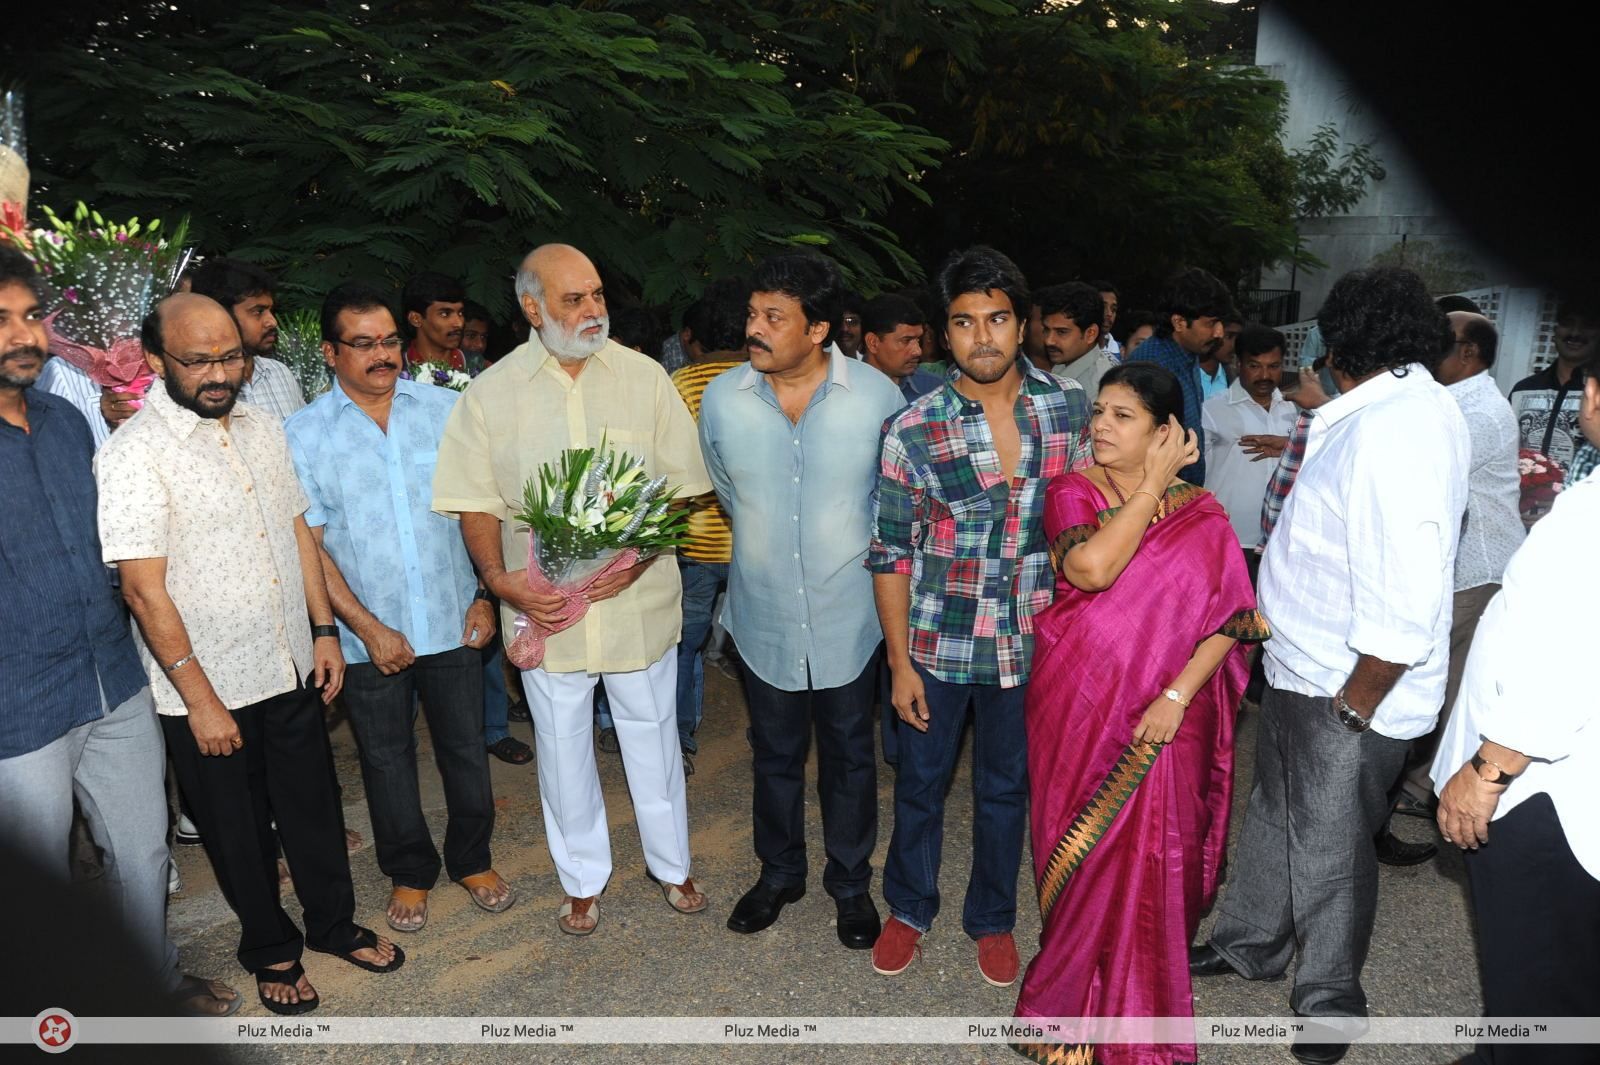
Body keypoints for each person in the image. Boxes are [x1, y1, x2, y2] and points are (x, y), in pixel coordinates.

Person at [99, 293, 404, 1016]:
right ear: (153, 359)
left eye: (231, 356)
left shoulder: (265, 426)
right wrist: (199, 698)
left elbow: (298, 531)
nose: (219, 373)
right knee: (236, 830)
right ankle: (269, 947)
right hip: (206, 686)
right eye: (198, 359)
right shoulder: (131, 454)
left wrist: (325, 631)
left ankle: (332, 923)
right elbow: (143, 591)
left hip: (289, 660)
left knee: (313, 808)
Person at [1191, 267, 1467, 1065]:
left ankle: (1331, 998)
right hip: (1302, 664)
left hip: (1346, 687)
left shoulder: (1398, 429)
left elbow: (1407, 589)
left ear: (1341, 341)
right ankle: (1250, 943)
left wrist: (1356, 703)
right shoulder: (1385, 407)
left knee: (1331, 844)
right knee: (1279, 812)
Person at [432, 243, 711, 937]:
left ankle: (672, 865)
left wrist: (632, 562)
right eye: (573, 299)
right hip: (543, 610)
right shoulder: (490, 393)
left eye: (596, 295)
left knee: (653, 736)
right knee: (560, 747)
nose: (593, 311)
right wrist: (501, 582)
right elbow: (474, 502)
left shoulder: (646, 378)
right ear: (532, 308)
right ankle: (582, 880)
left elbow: (683, 488)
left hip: (635, 603)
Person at [0, 249, 238, 1018]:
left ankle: (151, 987)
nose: (22, 335)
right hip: (16, 707)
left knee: (142, 852)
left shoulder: (70, 420)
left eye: (32, 316)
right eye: (1, 321)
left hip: (113, 676)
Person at [1013, 363, 1266, 1065]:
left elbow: (1232, 620)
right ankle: (1067, 1015)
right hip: (1078, 706)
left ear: (1166, 432)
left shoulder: (1203, 513)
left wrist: (1177, 695)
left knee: (1161, 860)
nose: (1100, 425)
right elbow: (1091, 569)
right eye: (1100, 411)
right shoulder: (1071, 491)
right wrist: (1151, 486)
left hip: (1168, 716)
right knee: (1082, 853)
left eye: (1124, 416)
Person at [869, 246, 1093, 988]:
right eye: (965, 323)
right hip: (938, 641)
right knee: (920, 785)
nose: (984, 337)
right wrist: (900, 663)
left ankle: (992, 918)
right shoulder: (913, 429)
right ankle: (909, 906)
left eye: (997, 318)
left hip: (1032, 642)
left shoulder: (1067, 408)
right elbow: (893, 552)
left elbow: (1090, 515)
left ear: (1022, 323)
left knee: (1006, 789)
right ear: (944, 334)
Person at [284, 282, 513, 936]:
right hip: (367, 637)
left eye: (388, 341)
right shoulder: (302, 435)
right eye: (363, 344)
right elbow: (312, 546)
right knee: (385, 759)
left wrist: (484, 592)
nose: (381, 355)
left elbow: (483, 508)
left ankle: (472, 858)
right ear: (330, 352)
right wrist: (365, 627)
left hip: (453, 615)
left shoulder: (447, 410)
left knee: (466, 748)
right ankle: (410, 868)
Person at [701, 253, 903, 950]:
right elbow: (729, 492)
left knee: (850, 754)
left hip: (850, 614)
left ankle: (850, 885)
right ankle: (778, 872)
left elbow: (892, 503)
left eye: (773, 318)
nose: (753, 328)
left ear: (817, 328)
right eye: (753, 315)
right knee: (774, 754)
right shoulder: (724, 398)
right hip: (762, 613)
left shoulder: (877, 397)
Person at [1430, 343, 1600, 1065]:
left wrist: (1489, 771)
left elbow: (1565, 654)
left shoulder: (1591, 520)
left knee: (1542, 987)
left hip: (1546, 793)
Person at [1385, 312, 1523, 827]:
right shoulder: (1456, 401)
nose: (1428, 348)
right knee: (1444, 679)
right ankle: (1422, 783)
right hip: (1464, 564)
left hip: (1476, 566)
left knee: (1436, 682)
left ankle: (1418, 786)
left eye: (1441, 341)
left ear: (1468, 354)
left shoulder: (1479, 411)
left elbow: (1424, 470)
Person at [668, 276, 749, 774]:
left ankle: (680, 737)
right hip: (752, 542)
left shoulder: (679, 385)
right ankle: (772, 731)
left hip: (695, 540)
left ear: (692, 337)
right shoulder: (761, 381)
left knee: (684, 644)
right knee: (762, 648)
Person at [1129, 268, 1234, 485]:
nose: (1219, 333)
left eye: (1221, 323)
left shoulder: (1189, 355)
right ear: (1178, 322)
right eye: (1210, 323)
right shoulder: (1151, 367)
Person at [1201, 325, 1299, 551]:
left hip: (1280, 537)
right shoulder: (1212, 409)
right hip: (1229, 536)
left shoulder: (1292, 409)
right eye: (1255, 366)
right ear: (1238, 364)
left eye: (1273, 366)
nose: (1265, 376)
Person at [1509, 298, 1597, 521]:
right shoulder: (1523, 389)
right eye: (1568, 323)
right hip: (1517, 515)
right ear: (1555, 330)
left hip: (1580, 521)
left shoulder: (1596, 398)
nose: (1575, 333)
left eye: (1587, 325)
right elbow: (1506, 453)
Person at [187, 257, 307, 422]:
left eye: (271, 310)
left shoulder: (280, 373)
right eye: (258, 311)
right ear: (220, 315)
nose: (272, 322)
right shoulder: (196, 388)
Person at [1037, 281, 1116, 396]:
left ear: (1090, 334)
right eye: (1046, 329)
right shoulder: (1064, 364)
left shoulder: (1097, 388)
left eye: (1061, 332)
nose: (1049, 340)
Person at [860, 293, 939, 402]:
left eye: (918, 340)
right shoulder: (842, 390)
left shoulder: (935, 390)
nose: (918, 351)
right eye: (906, 341)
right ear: (873, 343)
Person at [402, 272, 467, 372]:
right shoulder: (396, 371)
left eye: (460, 313)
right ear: (415, 319)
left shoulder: (478, 367)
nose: (459, 323)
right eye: (445, 314)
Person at [1089, 280, 1122, 360]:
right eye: (1103, 307)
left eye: (1113, 309)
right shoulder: (1073, 349)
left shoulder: (1121, 353)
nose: (1109, 314)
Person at [460, 301, 492, 371]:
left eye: (483, 337)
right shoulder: (433, 369)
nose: (480, 345)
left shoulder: (490, 371)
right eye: (471, 336)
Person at [833, 290, 864, 359]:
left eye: (851, 321)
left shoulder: (869, 367)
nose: (844, 329)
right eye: (838, 321)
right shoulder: (813, 367)